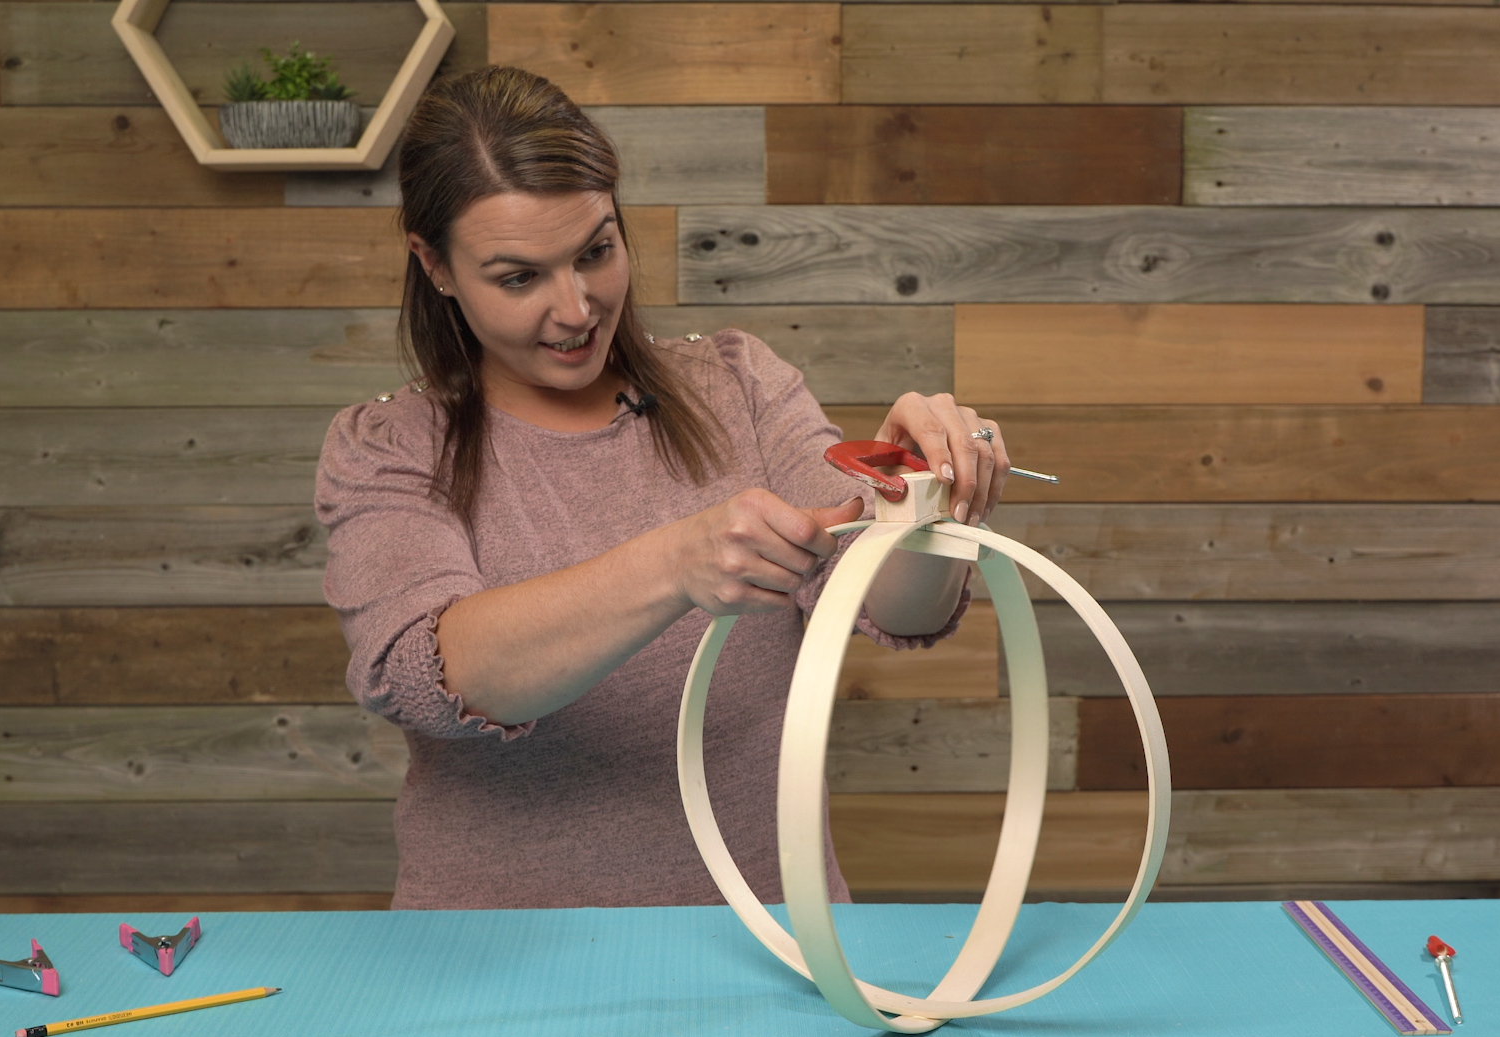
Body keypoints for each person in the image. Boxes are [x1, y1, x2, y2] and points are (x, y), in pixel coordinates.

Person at [314, 66, 1012, 910]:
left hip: (776, 941)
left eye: (596, 253)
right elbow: (428, 673)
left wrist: (926, 502)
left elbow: (890, 603)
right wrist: (675, 563)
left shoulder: (738, 382)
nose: (575, 309)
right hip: (494, 959)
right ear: (436, 267)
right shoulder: (388, 446)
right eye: (519, 277)